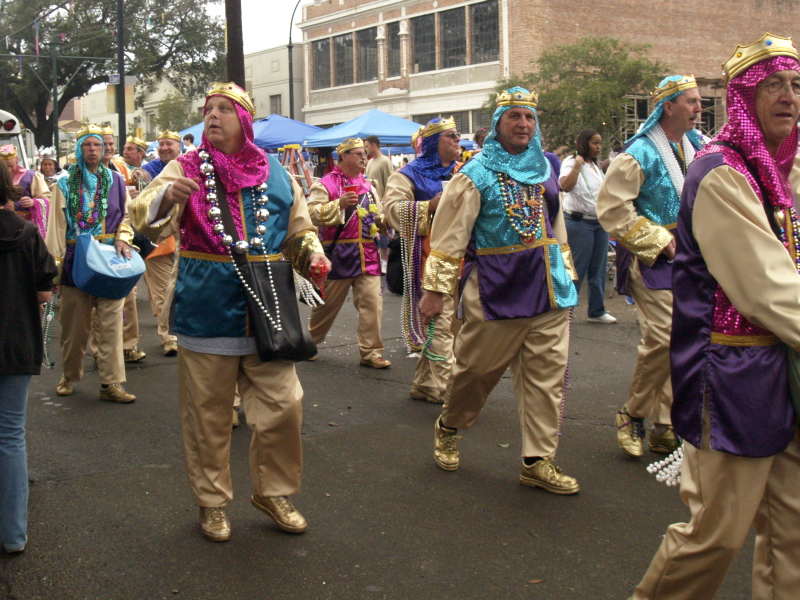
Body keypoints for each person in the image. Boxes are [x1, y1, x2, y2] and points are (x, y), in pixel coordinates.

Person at [630, 34, 800, 600]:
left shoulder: (779, 170)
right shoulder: (723, 172)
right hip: (733, 373)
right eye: (773, 85)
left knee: (790, 532)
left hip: (785, 364)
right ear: (744, 98)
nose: (788, 97)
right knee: (716, 535)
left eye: (796, 85)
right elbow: (767, 290)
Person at [131, 82, 330, 542]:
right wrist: (166, 197)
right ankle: (212, 501)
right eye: (208, 110)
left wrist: (312, 255)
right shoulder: (185, 167)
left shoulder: (276, 172)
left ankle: (274, 491)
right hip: (207, 305)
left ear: (244, 120)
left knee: (284, 405)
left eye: (224, 109)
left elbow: (298, 229)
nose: (213, 116)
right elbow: (144, 216)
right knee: (208, 414)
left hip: (269, 309)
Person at [419, 87, 580, 494]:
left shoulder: (544, 168)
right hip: (495, 292)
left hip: (548, 290)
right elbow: (449, 237)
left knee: (547, 379)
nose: (523, 124)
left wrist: (568, 272)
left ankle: (537, 460)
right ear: (498, 124)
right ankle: (450, 425)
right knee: (475, 373)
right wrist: (435, 291)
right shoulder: (475, 174)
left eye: (529, 117)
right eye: (514, 117)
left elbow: (554, 224)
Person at [597, 74, 704, 458]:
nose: (698, 108)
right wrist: (659, 240)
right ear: (668, 107)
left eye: (699, 101)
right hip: (653, 256)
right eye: (690, 101)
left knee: (687, 339)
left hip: (694, 257)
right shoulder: (639, 153)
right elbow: (611, 208)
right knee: (665, 337)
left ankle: (665, 423)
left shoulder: (697, 146)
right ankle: (633, 413)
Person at [45, 124, 136, 403]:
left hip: (110, 258)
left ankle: (111, 383)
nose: (94, 151)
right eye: (87, 145)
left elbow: (127, 216)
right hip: (77, 260)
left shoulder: (116, 180)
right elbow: (56, 228)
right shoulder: (64, 184)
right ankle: (69, 375)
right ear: (78, 150)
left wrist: (122, 237)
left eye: (97, 145)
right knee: (75, 327)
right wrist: (53, 272)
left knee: (111, 325)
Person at [0, 159, 57, 554]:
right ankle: (14, 534)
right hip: (15, 342)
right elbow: (43, 293)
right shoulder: (26, 232)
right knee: (9, 437)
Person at [383, 117, 461, 404]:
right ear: (432, 143)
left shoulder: (464, 172)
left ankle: (426, 383)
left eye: (458, 135)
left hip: (463, 261)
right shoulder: (406, 175)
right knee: (439, 325)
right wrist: (429, 206)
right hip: (427, 261)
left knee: (454, 327)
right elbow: (391, 210)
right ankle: (452, 393)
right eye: (451, 136)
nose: (457, 140)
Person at [307, 137, 390, 369]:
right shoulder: (325, 184)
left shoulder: (368, 185)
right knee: (326, 306)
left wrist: (385, 221)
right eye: (358, 153)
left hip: (368, 253)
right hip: (340, 254)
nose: (364, 157)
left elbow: (378, 214)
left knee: (373, 303)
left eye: (365, 153)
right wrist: (339, 204)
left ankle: (371, 352)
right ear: (343, 156)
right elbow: (311, 213)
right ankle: (309, 342)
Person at [96, 129, 146, 364]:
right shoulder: (82, 174)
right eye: (102, 143)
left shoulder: (121, 169)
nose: (107, 147)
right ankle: (100, 350)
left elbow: (129, 206)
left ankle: (128, 344)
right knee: (99, 301)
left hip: (122, 238)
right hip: (97, 243)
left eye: (109, 143)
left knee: (128, 296)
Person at [560, 129, 616, 324]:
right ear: (584, 143)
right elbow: (565, 186)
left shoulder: (595, 166)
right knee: (576, 269)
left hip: (599, 223)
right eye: (594, 143)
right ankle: (565, 312)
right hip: (579, 223)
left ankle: (597, 310)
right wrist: (577, 164)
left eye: (599, 143)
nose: (598, 147)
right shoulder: (571, 162)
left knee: (598, 269)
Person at [140, 130, 183, 356]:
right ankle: (169, 337)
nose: (164, 148)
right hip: (160, 237)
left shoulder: (191, 166)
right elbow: (142, 207)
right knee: (165, 287)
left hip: (188, 241)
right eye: (161, 144)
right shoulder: (149, 171)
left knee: (174, 288)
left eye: (169, 144)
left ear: (180, 146)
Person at [0, 145, 50, 235]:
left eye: (11, 166)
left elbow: (47, 198)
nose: (8, 170)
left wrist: (33, 202)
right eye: (5, 167)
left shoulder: (31, 177)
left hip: (24, 227)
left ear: (17, 160)